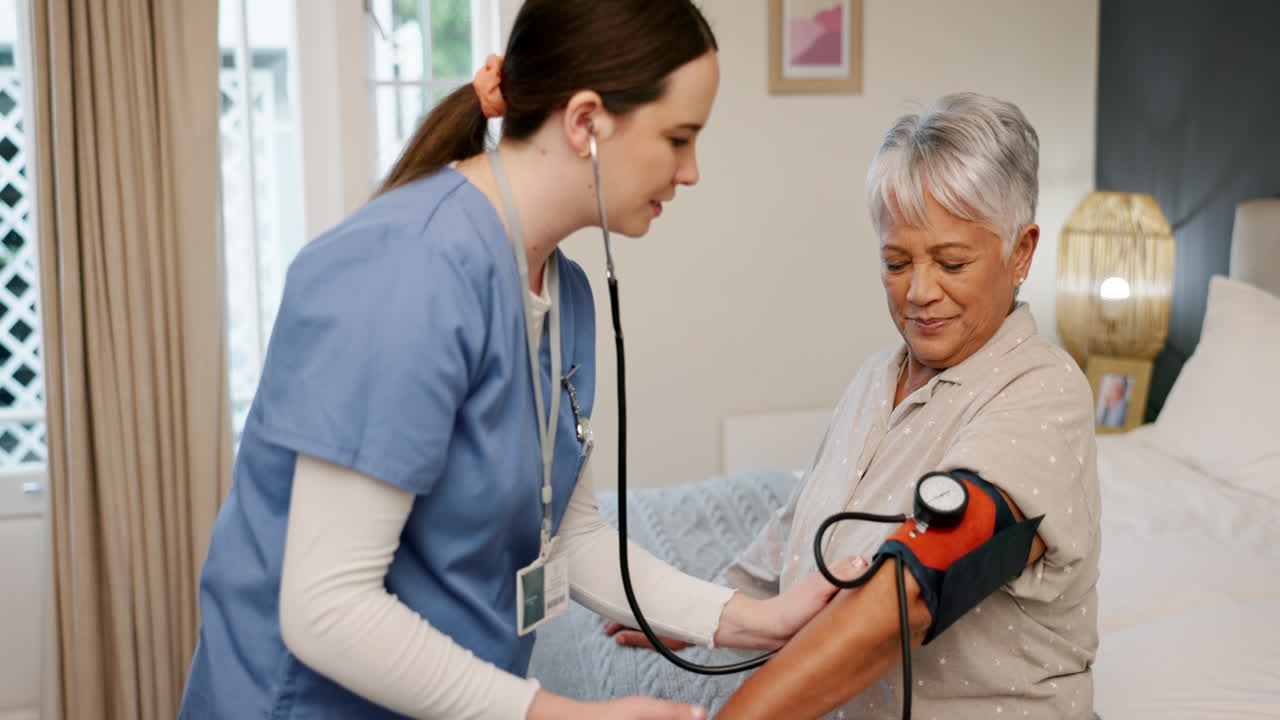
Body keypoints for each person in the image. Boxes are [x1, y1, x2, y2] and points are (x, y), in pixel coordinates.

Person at [177, 2, 861, 719]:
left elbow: (569, 532)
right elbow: (326, 609)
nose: (690, 171)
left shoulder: (561, 292)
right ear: (586, 122)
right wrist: (565, 715)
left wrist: (757, 619)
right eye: (679, 138)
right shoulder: (403, 273)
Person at [612, 93, 1101, 719]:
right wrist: (709, 612)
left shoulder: (1042, 391)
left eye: (952, 262)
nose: (919, 294)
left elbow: (917, 588)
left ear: (1022, 252)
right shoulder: (879, 375)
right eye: (896, 262)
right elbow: (800, 525)